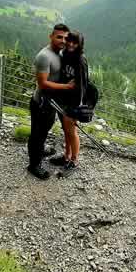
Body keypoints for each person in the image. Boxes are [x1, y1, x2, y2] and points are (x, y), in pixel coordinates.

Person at [27, 23, 75, 180]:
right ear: (51, 36)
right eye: (59, 36)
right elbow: (42, 83)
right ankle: (34, 165)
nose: (62, 40)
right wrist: (67, 87)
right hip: (41, 103)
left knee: (44, 131)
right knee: (37, 135)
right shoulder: (44, 56)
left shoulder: (59, 53)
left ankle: (40, 150)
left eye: (65, 38)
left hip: (51, 104)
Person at [49, 31, 89, 172]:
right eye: (69, 41)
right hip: (63, 99)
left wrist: (77, 108)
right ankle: (66, 156)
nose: (71, 44)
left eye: (75, 42)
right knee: (66, 130)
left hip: (73, 103)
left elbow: (83, 86)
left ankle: (74, 160)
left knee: (72, 132)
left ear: (80, 44)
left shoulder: (80, 60)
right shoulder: (66, 55)